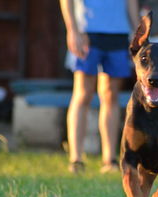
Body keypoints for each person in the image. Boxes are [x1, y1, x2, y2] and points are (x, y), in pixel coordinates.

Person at [59, 0, 140, 173]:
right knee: (83, 94)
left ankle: (109, 159)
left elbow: (131, 2)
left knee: (111, 96)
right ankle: (76, 159)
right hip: (87, 32)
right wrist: (72, 30)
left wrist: (137, 30)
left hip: (118, 33)